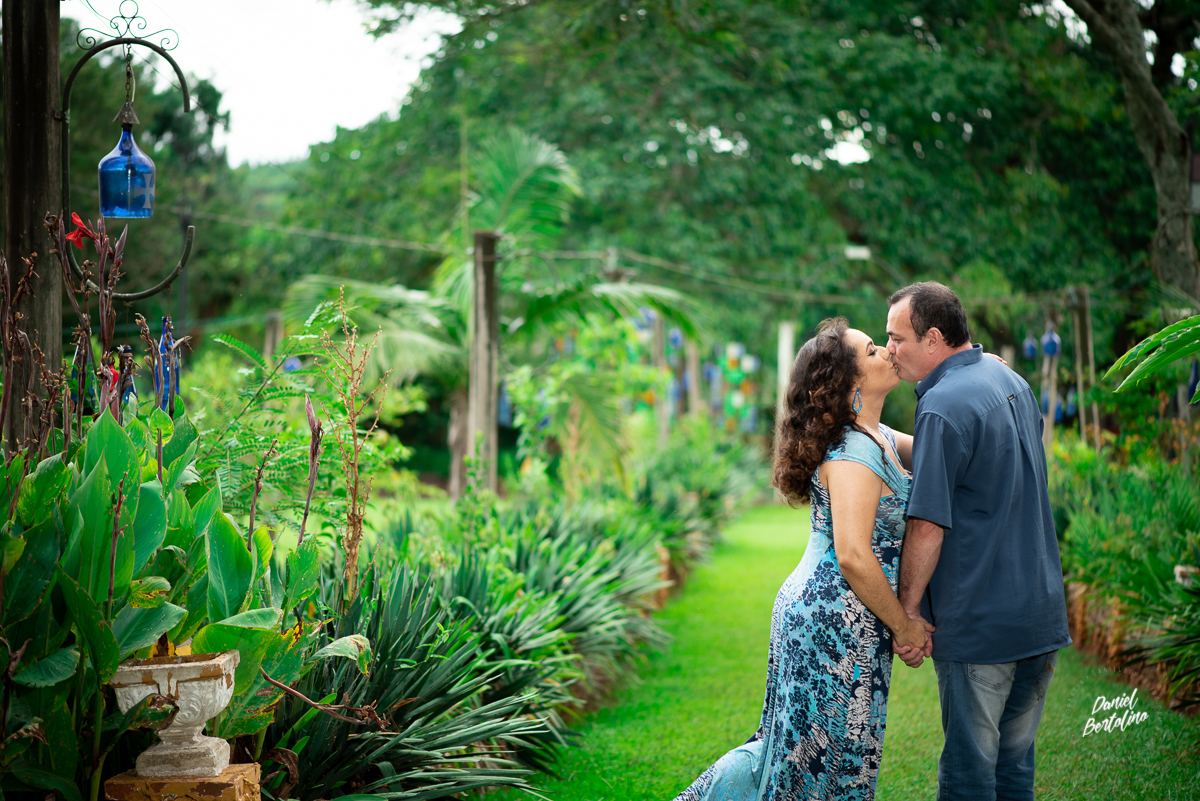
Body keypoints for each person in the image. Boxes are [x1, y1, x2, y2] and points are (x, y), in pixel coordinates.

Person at [672, 318, 932, 801]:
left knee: (803, 752)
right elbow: (853, 555)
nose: (886, 353)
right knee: (818, 761)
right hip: (833, 621)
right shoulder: (852, 450)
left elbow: (942, 451)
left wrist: (971, 372)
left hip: (840, 615)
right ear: (850, 381)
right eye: (873, 350)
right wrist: (905, 626)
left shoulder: (875, 436)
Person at [885, 282, 1071, 801]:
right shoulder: (1011, 380)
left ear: (934, 338)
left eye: (897, 338)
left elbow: (927, 524)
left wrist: (908, 612)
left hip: (982, 627)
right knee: (1014, 771)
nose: (890, 350)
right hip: (1039, 617)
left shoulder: (942, 405)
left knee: (969, 776)